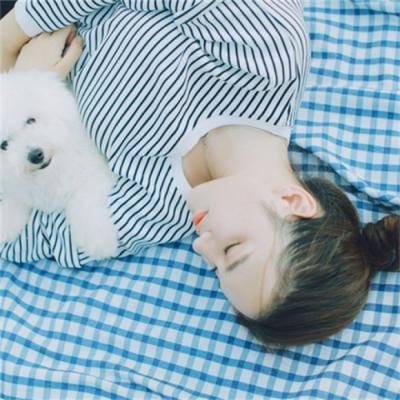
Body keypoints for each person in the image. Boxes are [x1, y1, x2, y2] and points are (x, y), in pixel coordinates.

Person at [1, 1, 398, 348]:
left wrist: (19, 79)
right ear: (290, 202)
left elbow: (20, 234)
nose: (202, 248)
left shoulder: (156, 210)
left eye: (214, 267)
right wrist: (12, 34)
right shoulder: (267, 59)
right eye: (232, 251)